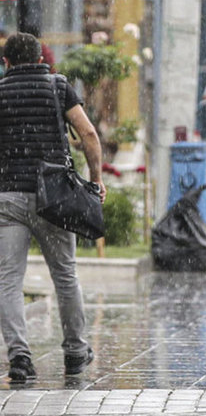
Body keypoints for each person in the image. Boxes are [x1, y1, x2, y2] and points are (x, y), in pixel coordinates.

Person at [0, 32, 106, 382]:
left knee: (8, 280)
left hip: (9, 196)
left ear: (6, 62)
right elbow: (88, 134)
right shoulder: (58, 86)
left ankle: (19, 357)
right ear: (41, 59)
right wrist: (96, 179)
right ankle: (75, 352)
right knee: (65, 275)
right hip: (54, 196)